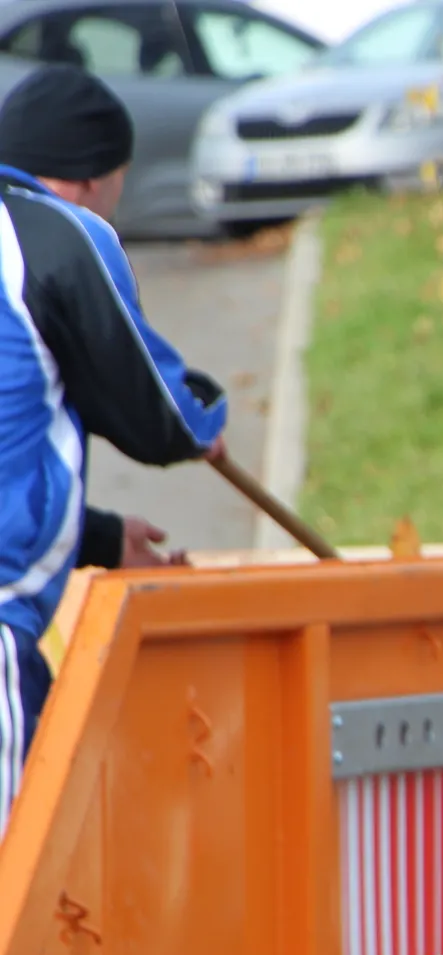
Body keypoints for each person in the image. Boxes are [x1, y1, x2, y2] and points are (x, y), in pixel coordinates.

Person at [0, 64, 228, 832]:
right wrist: (204, 422)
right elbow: (155, 414)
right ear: (92, 179)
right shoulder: (52, 235)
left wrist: (99, 538)